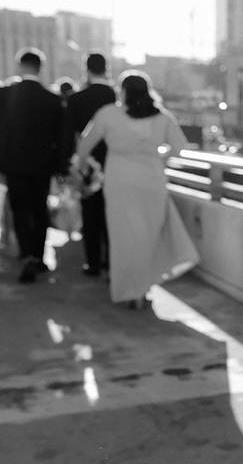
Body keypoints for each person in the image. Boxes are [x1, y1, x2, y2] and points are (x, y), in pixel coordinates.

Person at [73, 71, 198, 308]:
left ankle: (129, 290)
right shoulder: (162, 117)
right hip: (152, 180)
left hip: (119, 180)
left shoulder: (108, 114)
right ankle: (143, 288)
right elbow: (180, 147)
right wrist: (159, 158)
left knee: (123, 237)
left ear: (123, 90)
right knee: (148, 236)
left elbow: (84, 147)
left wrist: (84, 169)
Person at [0, 48, 64, 283]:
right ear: (40, 68)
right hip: (42, 166)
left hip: (13, 165)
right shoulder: (53, 100)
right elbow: (61, 138)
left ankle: (26, 254)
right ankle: (38, 256)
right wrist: (60, 168)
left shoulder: (5, 94)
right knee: (39, 210)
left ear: (19, 66)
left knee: (19, 211)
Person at [63, 53, 117, 277]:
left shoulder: (77, 99)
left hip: (87, 166)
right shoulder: (118, 97)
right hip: (117, 164)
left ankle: (93, 263)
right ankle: (112, 260)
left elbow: (67, 136)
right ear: (107, 68)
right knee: (113, 215)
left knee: (91, 214)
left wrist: (68, 165)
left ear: (87, 69)